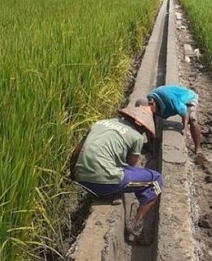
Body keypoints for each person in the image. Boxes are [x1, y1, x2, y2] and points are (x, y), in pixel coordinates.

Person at [69, 105, 162, 238]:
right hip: (104, 184)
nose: (142, 132)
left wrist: (72, 177)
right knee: (156, 179)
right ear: (138, 123)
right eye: (143, 128)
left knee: (116, 170)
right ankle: (136, 226)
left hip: (82, 179)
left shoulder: (99, 123)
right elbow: (130, 166)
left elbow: (76, 153)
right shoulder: (136, 137)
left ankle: (108, 191)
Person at [137, 85, 202, 155]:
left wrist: (185, 128)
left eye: (148, 111)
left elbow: (185, 110)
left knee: (192, 120)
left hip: (188, 99)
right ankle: (150, 144)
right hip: (175, 101)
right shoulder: (148, 101)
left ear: (152, 104)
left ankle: (198, 148)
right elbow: (149, 122)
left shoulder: (168, 98)